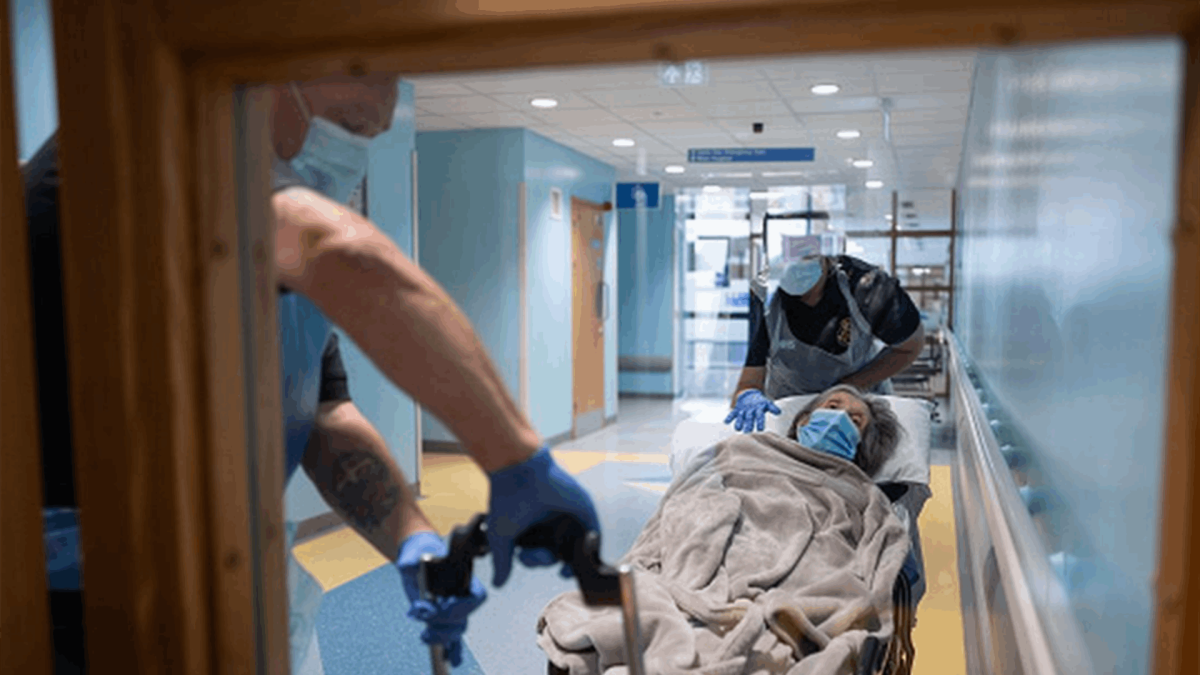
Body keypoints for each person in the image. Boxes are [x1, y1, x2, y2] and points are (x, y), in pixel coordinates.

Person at [25, 72, 601, 674]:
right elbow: (339, 253)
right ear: (268, 78)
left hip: (221, 580)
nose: (354, 152)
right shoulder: (137, 155)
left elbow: (324, 411)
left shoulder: (267, 250)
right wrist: (515, 459)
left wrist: (411, 537)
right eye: (348, 125)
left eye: (372, 134)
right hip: (87, 618)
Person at [725, 252, 926, 433]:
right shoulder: (759, 300)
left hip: (858, 399)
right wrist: (748, 395)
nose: (794, 265)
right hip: (791, 408)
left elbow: (909, 347)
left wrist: (849, 386)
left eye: (805, 255)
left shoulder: (868, 287)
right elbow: (748, 382)